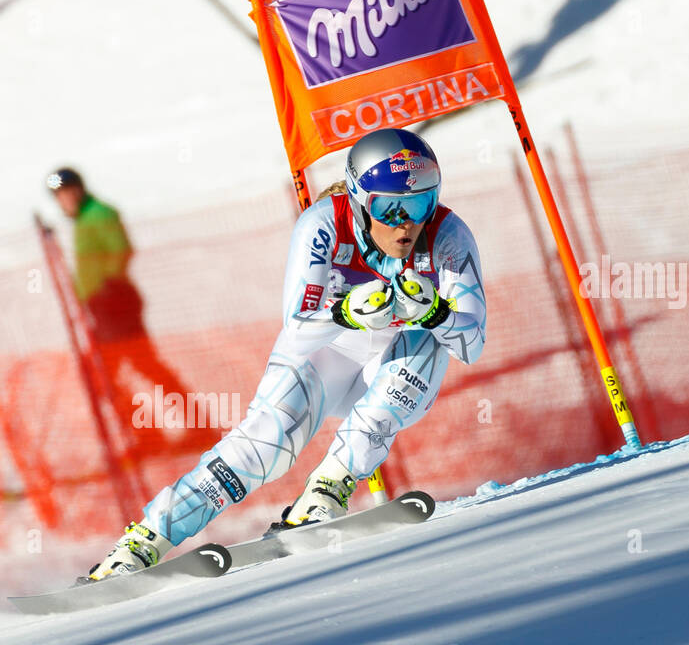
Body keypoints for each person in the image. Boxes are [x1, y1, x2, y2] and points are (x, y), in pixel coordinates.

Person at [86, 127, 487, 580]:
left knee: (424, 343)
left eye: (420, 204)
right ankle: (141, 544)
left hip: (391, 373)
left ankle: (327, 488)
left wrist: (435, 314)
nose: (406, 224)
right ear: (358, 200)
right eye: (389, 207)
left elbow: (472, 343)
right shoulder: (322, 224)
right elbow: (295, 333)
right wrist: (347, 314)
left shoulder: (448, 234)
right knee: (264, 448)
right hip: (325, 359)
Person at [46, 167, 211, 451]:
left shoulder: (99, 214)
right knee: (119, 371)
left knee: (119, 370)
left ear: (79, 189)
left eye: (68, 192)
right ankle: (158, 434)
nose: (66, 200)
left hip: (115, 305)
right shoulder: (85, 220)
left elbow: (121, 249)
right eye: (59, 195)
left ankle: (180, 432)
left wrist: (108, 286)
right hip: (103, 306)